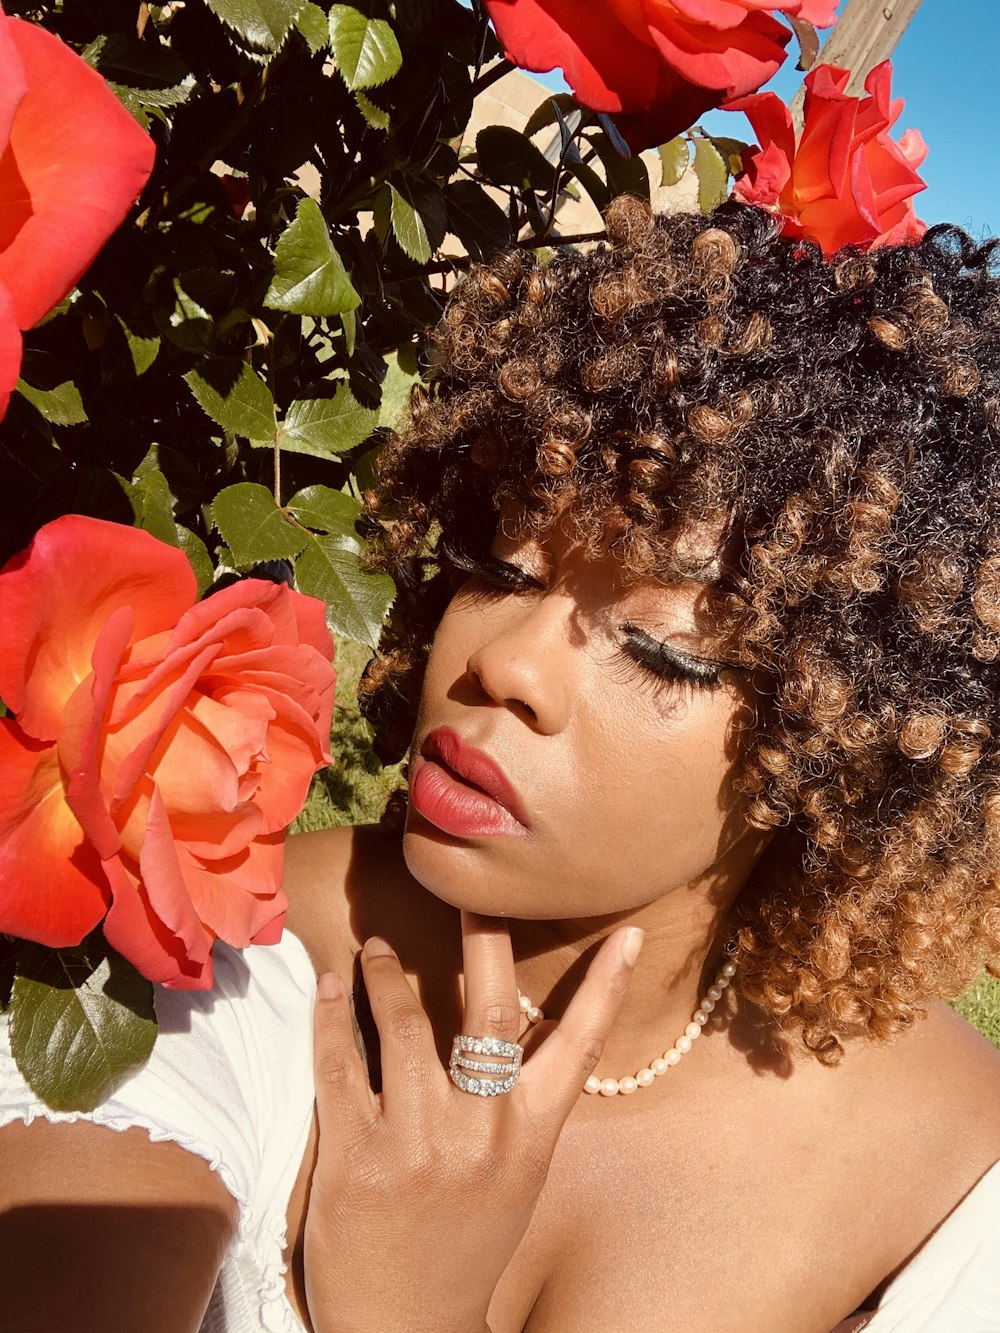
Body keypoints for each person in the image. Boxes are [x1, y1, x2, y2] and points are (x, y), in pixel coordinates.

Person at [2, 197, 1000, 1332]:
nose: (504, 665)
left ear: (840, 743)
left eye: (665, 651)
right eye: (505, 566)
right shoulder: (229, 968)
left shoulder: (955, 1180)